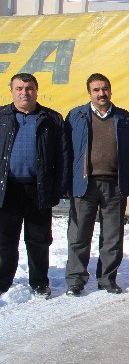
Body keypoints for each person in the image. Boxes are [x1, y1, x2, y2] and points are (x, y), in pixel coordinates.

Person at [64, 73, 129, 296]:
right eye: (96, 90)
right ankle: (76, 280)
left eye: (105, 89)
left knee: (112, 237)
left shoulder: (124, 118)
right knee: (79, 235)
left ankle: (107, 279)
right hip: (84, 185)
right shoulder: (76, 116)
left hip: (115, 185)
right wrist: (66, 183)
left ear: (110, 90)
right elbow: (66, 152)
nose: (101, 93)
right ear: (89, 92)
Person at [0, 74, 67, 298]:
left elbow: (63, 157)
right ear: (12, 91)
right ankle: (3, 281)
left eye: (29, 88)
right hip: (7, 190)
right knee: (5, 240)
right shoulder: (1, 117)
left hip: (38, 188)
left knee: (39, 239)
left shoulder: (51, 119)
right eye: (19, 88)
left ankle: (39, 282)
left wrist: (57, 189)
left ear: (36, 91)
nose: (24, 92)